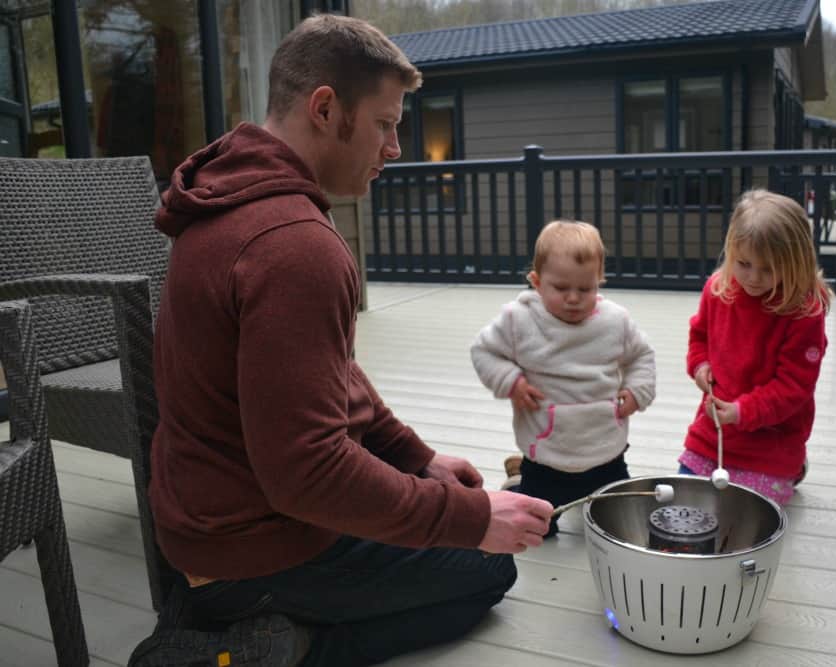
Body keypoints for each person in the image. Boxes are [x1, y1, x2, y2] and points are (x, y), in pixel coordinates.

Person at [130, 14, 552, 667]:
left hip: (199, 522)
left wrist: (417, 459)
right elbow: (309, 475)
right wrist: (472, 519)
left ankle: (233, 618)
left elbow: (333, 373)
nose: (396, 147)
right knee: (488, 568)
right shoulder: (295, 247)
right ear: (325, 109)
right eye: (384, 124)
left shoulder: (224, 201)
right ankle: (270, 647)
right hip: (252, 547)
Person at [470, 220, 656, 537]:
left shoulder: (615, 321)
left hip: (606, 451)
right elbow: (484, 351)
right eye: (560, 288)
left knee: (617, 527)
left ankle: (554, 488)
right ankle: (518, 484)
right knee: (539, 529)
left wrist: (638, 390)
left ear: (599, 281)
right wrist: (511, 381)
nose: (573, 298)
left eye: (585, 289)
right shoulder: (519, 319)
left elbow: (641, 356)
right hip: (546, 455)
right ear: (536, 282)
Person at [678, 189, 833, 505]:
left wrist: (742, 411)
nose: (753, 277)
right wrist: (700, 365)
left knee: (746, 511)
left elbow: (794, 386)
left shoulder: (804, 312)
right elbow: (700, 336)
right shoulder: (718, 289)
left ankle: (792, 466)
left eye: (768, 268)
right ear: (732, 250)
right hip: (715, 429)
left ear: (796, 262)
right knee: (686, 497)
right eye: (744, 263)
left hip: (773, 437)